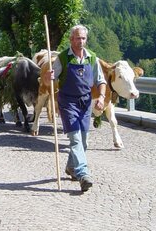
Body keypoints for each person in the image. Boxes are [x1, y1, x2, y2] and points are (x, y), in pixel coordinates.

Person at [51, 24, 106, 192]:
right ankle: (83, 174)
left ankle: (71, 167)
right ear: (71, 39)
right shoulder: (63, 58)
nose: (81, 41)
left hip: (85, 102)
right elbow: (50, 80)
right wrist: (48, 77)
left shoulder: (92, 58)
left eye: (83, 38)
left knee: (83, 141)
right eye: (77, 38)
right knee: (75, 139)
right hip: (67, 103)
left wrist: (102, 97)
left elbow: (100, 80)